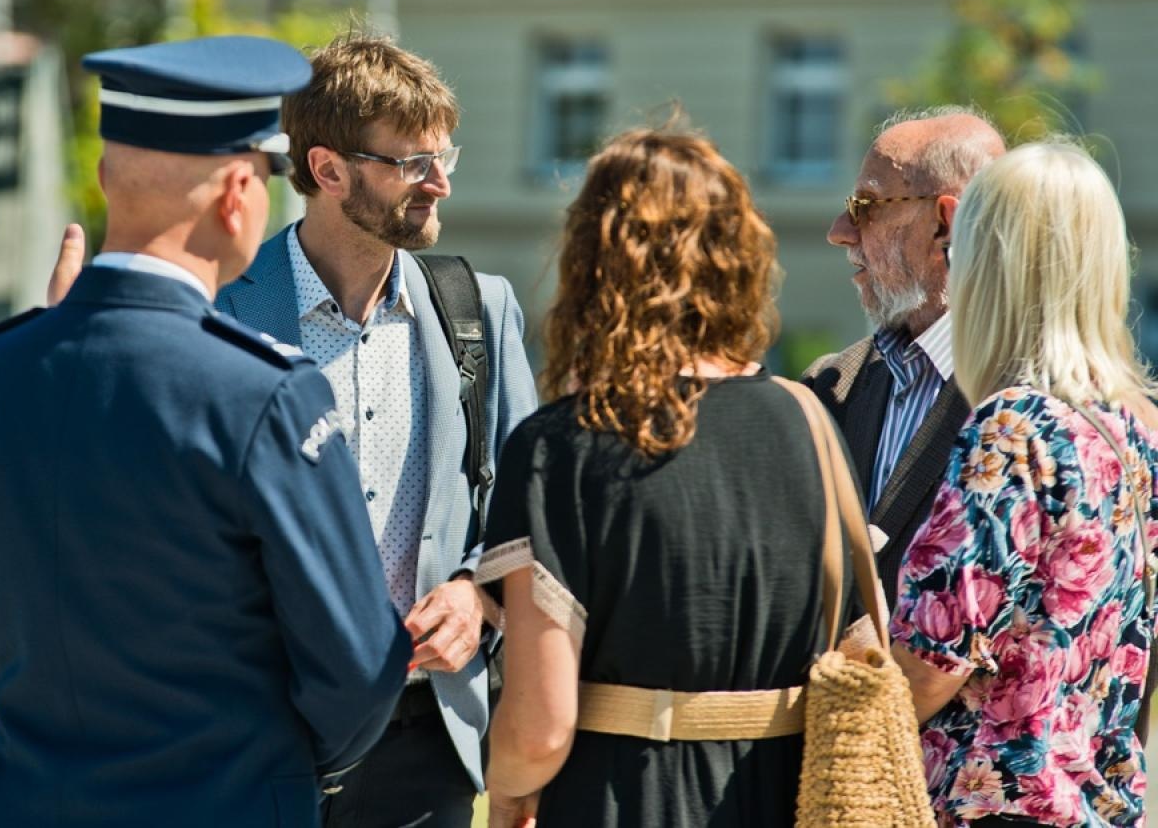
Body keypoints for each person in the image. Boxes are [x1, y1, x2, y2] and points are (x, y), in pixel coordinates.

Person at [0, 36, 412, 827]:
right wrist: (268, 760)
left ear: (108, 177)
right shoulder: (265, 393)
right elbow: (360, 663)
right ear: (238, 192)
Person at [478, 125, 856, 828]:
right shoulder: (811, 423)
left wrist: (505, 796)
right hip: (783, 799)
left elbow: (539, 728)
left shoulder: (560, 447)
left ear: (594, 264)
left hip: (621, 800)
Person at [216, 30, 538, 827]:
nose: (440, 185)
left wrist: (480, 597)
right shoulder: (219, 311)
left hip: (426, 738)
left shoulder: (478, 310)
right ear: (327, 170)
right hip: (258, 732)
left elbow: (530, 509)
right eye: (411, 164)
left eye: (444, 158)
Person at [891, 141, 1158, 828]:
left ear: (993, 270)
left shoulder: (1014, 427)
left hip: (994, 805)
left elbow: (930, 662)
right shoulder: (1131, 433)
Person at [804, 107, 1006, 603]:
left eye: (867, 205)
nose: (840, 231)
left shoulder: (1036, 399)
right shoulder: (829, 387)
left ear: (944, 224)